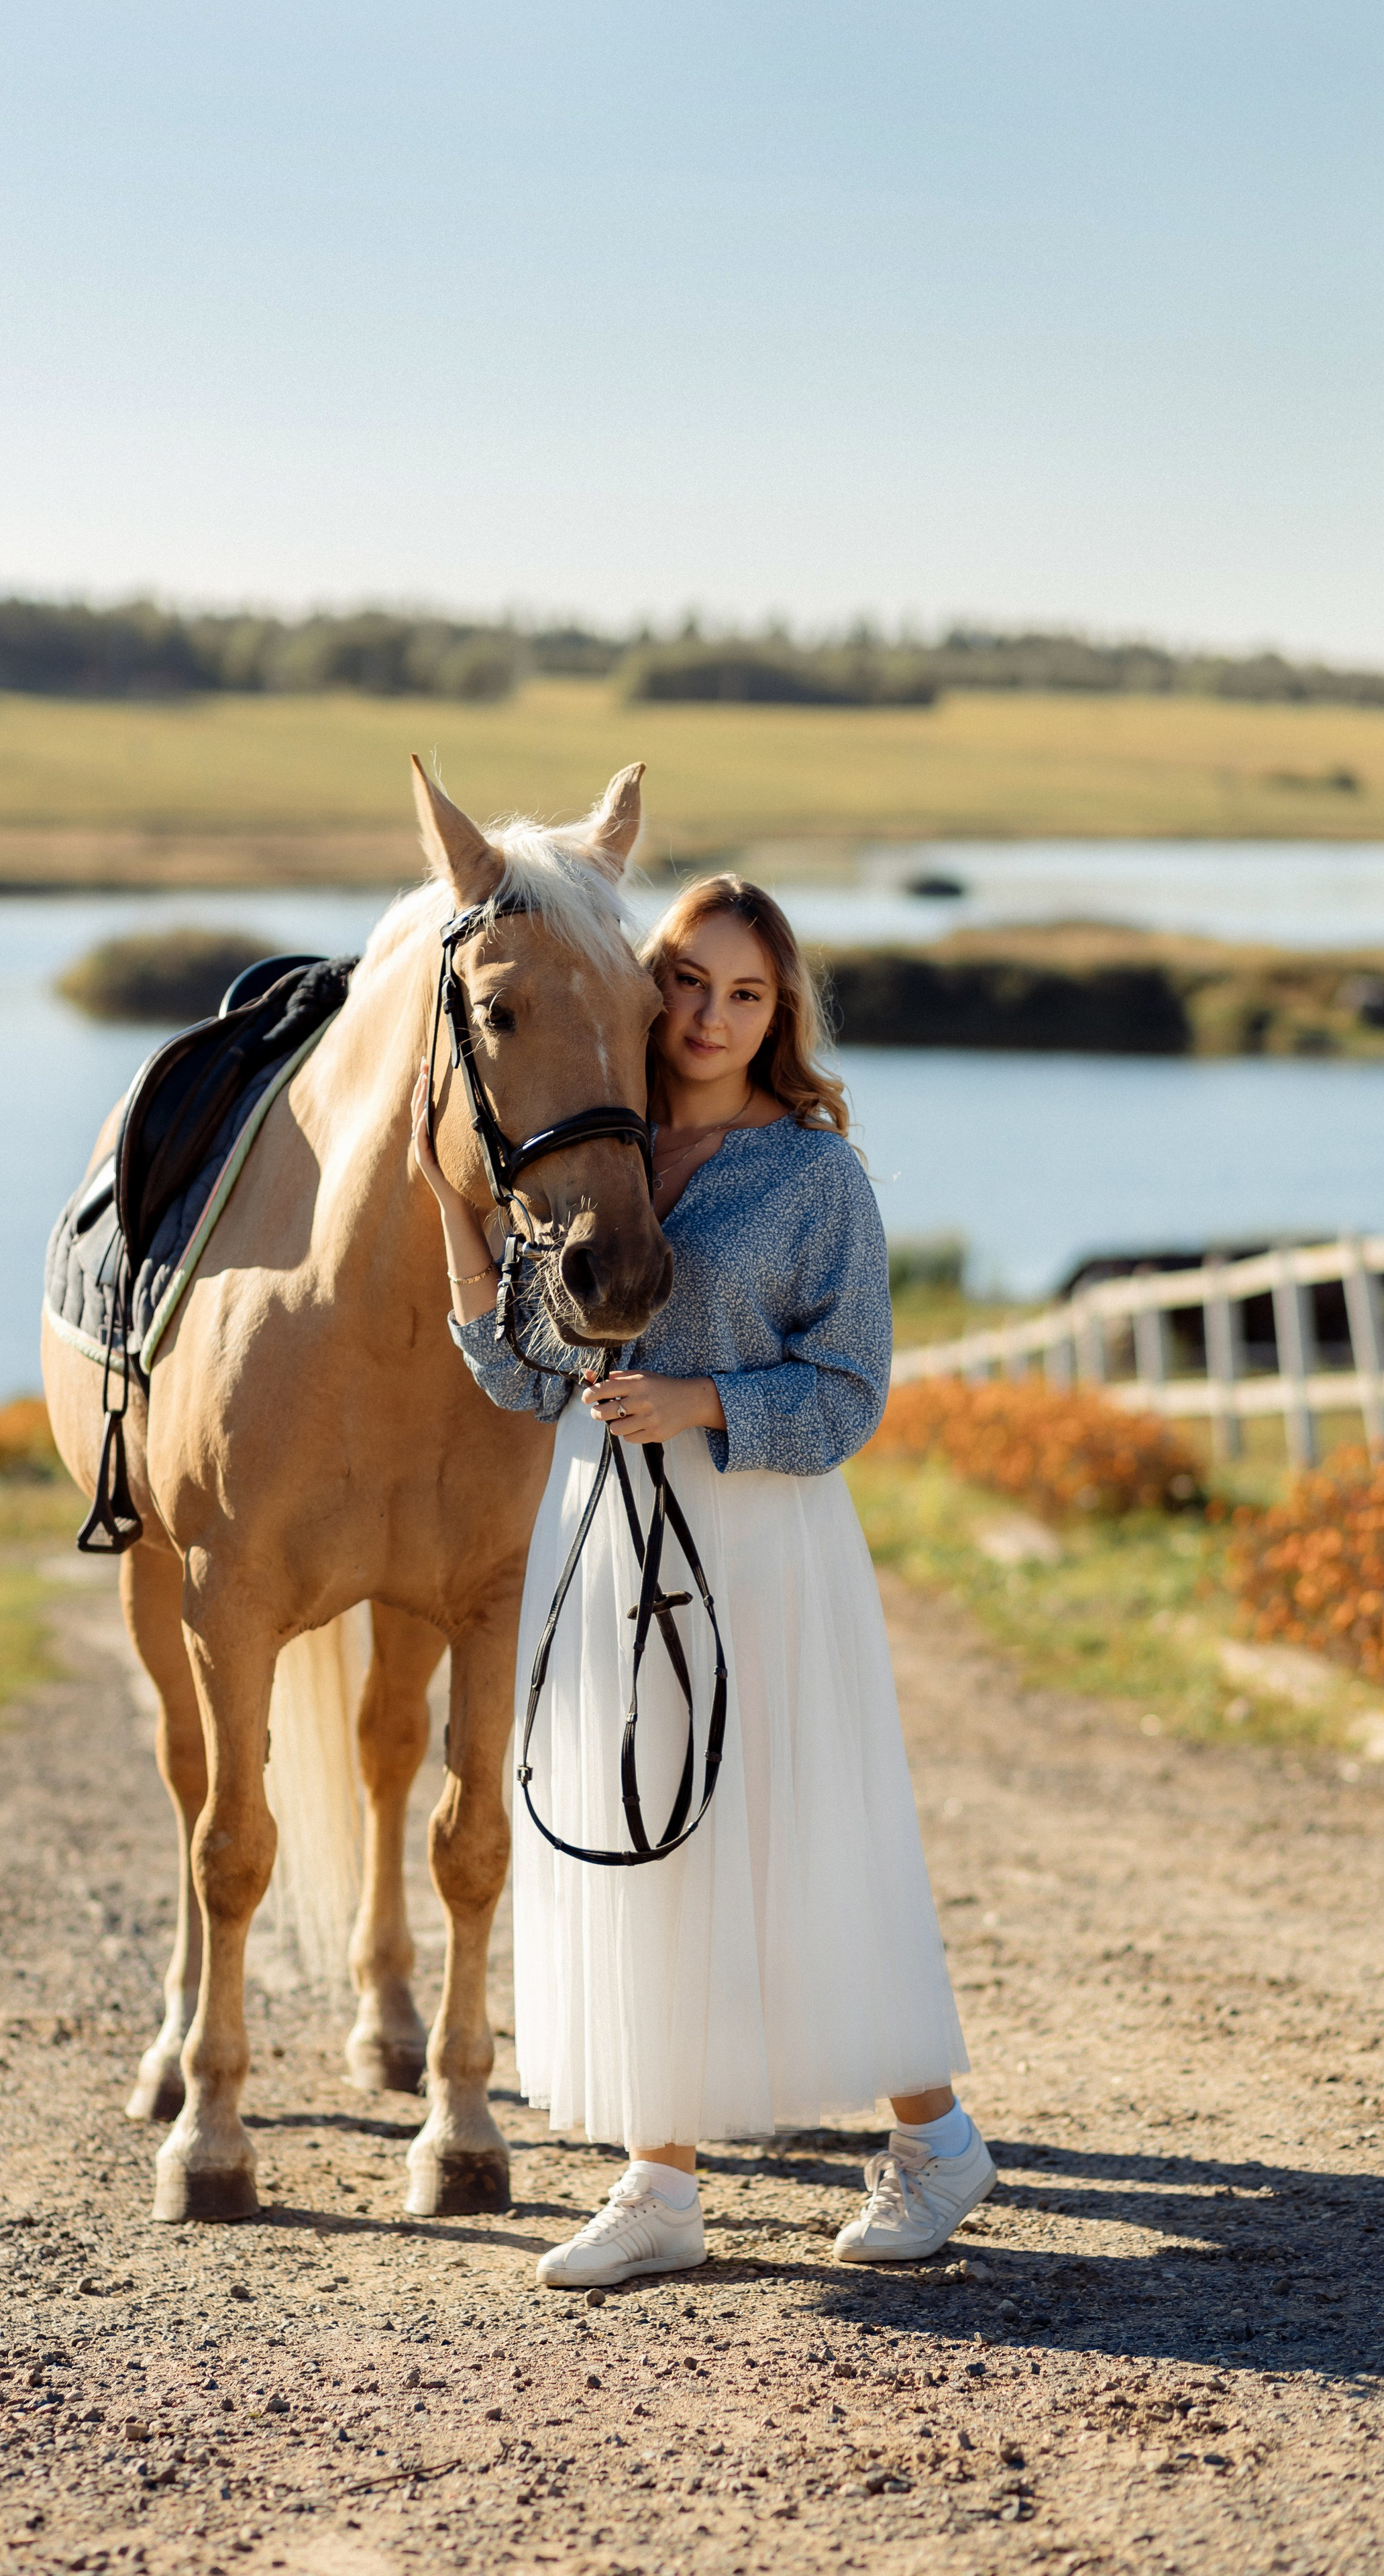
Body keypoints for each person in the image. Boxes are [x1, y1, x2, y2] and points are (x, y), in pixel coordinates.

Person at [411, 871, 991, 2288]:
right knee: (635, 1845)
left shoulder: (812, 1176)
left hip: (761, 1547)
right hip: (606, 1535)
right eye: (687, 982)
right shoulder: (597, 1154)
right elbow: (524, 1374)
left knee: (802, 1844)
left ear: (778, 1012)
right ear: (645, 986)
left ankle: (937, 2144)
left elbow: (849, 1392)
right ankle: (658, 2187)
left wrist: (701, 1403)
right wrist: (452, 1213)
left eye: (745, 994)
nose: (710, 1017)